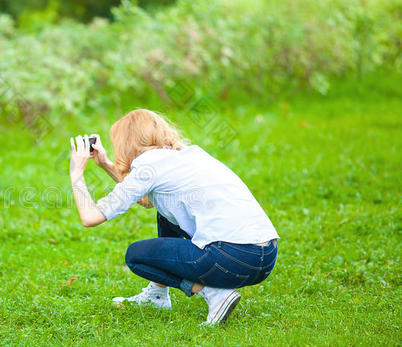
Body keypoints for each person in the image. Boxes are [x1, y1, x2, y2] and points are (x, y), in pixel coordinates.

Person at [69, 109, 279, 325]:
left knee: (136, 256)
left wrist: (76, 173)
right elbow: (147, 201)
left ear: (125, 144)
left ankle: (215, 295)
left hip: (232, 258)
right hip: (264, 257)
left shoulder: (146, 168)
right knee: (165, 212)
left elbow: (90, 217)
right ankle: (157, 295)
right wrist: (104, 163)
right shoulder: (188, 154)